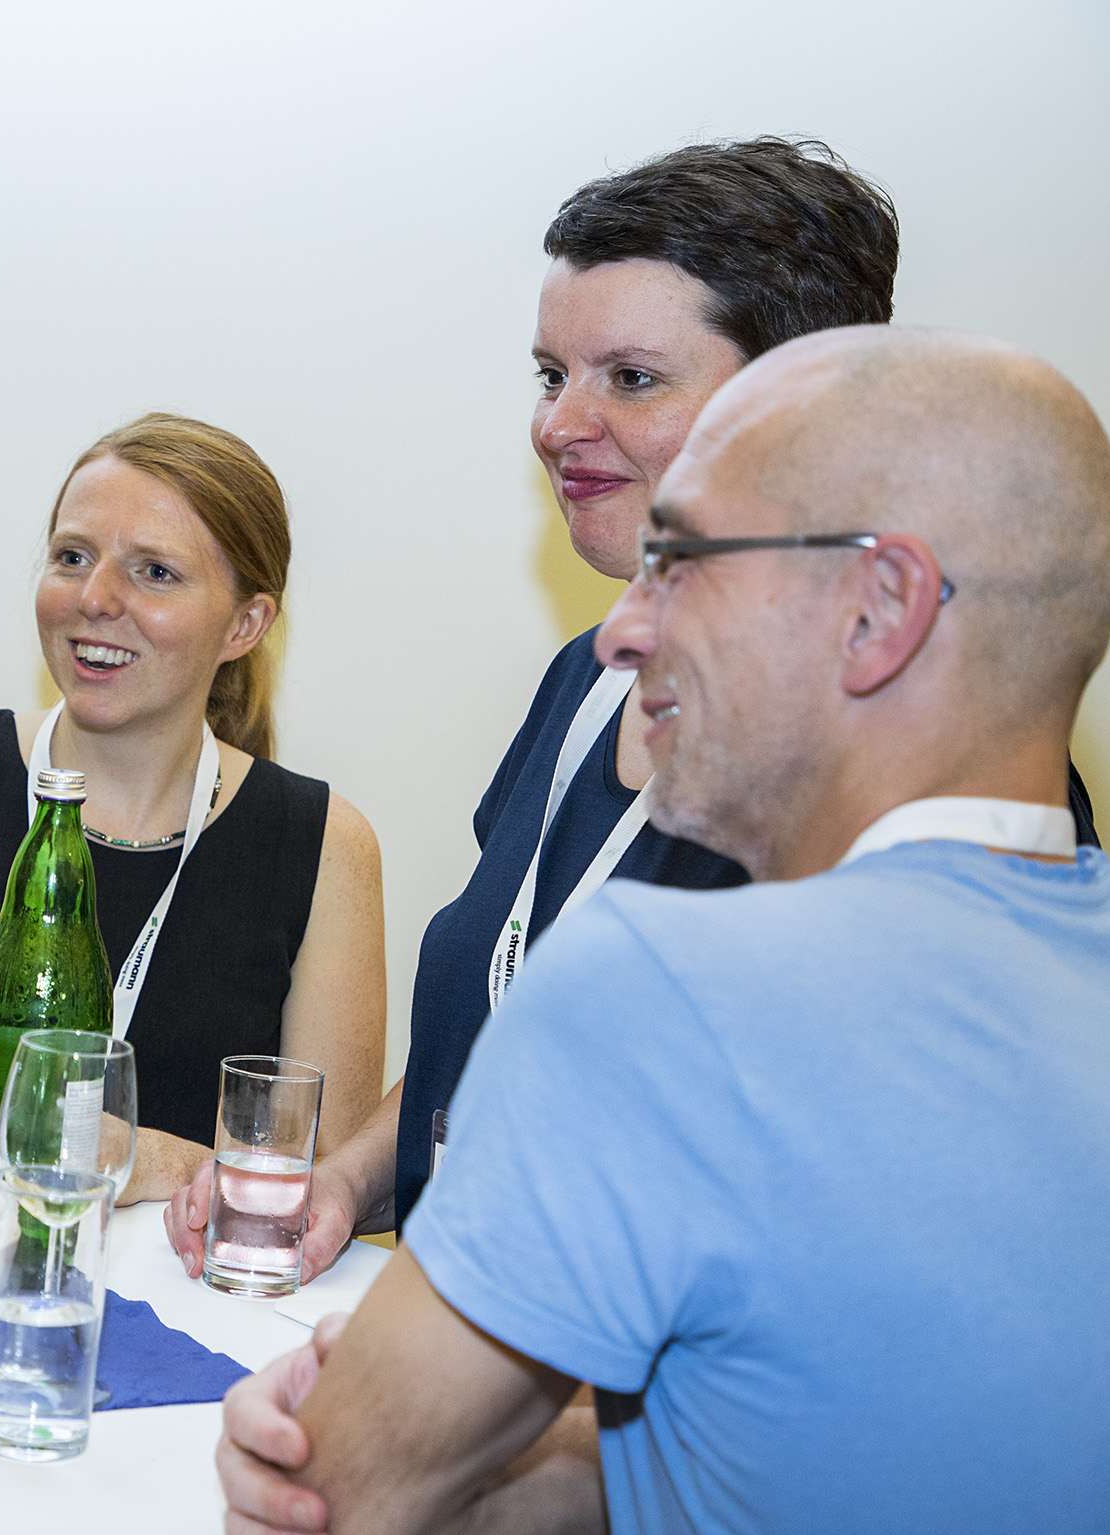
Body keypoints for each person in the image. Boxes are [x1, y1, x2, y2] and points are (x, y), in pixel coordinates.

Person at [216, 324, 1110, 1533]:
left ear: (876, 609)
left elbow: (324, 1497)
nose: (619, 631)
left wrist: (381, 1440)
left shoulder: (665, 989)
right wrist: (562, 1456)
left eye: (678, 560)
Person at [172, 135, 1094, 1280]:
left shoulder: (908, 755)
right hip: (452, 1317)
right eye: (549, 375)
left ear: (796, 400)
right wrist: (350, 1178)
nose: (558, 424)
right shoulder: (587, 677)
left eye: (630, 378)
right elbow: (498, 1007)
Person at [0, 412, 386, 1199]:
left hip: (176, 1283)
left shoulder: (324, 847)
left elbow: (328, 1191)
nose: (95, 597)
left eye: (155, 571)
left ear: (246, 623)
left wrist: (148, 1161)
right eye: (73, 556)